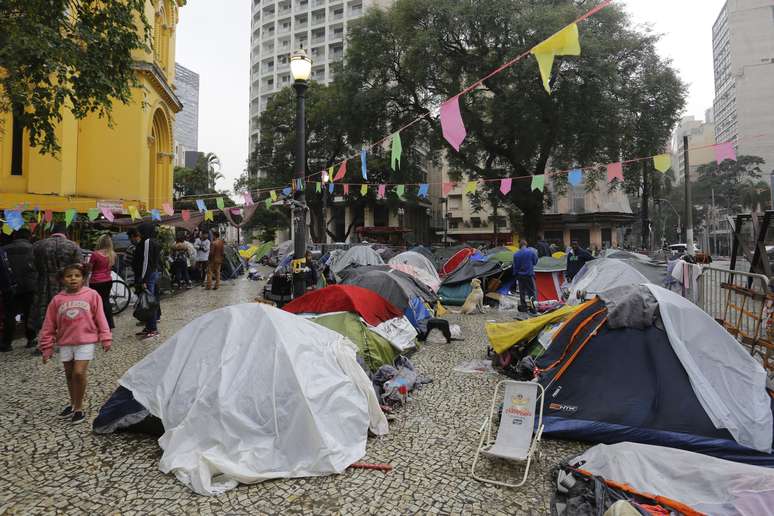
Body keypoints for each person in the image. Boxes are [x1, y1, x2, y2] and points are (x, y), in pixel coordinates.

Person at [38, 262, 111, 425]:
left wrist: (106, 337)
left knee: (78, 373)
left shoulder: (92, 295)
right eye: (69, 276)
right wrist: (46, 347)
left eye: (77, 276)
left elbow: (101, 317)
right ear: (63, 279)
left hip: (86, 341)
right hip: (65, 342)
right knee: (69, 374)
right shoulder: (57, 300)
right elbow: (49, 324)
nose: (73, 279)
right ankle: (72, 404)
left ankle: (79, 408)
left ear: (83, 278)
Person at [30, 223, 82, 342]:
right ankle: (65, 336)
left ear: (51, 232)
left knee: (44, 310)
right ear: (66, 233)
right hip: (66, 284)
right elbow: (80, 266)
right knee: (66, 309)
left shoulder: (38, 245)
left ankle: (43, 339)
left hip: (43, 283)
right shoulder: (73, 246)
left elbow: (31, 265)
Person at [1, 229, 37, 351]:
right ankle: (31, 339)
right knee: (29, 313)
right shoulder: (33, 248)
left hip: (9, 285)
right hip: (29, 286)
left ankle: (6, 342)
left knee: (9, 314)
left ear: (14, 236)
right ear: (29, 237)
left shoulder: (4, 249)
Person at [133, 223, 161, 339]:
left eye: (140, 230)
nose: (138, 233)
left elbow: (146, 262)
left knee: (149, 302)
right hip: (152, 274)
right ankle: (149, 327)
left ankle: (153, 328)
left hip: (149, 275)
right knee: (150, 300)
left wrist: (143, 278)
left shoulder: (148, 242)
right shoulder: (153, 241)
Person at [88, 234, 116, 330]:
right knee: (106, 302)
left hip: (96, 281)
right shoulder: (112, 254)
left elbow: (90, 268)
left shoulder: (95, 254)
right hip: (108, 280)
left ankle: (98, 324)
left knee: (96, 303)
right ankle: (109, 324)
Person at [513, 240, 538, 313]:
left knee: (522, 292)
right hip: (529, 275)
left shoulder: (516, 254)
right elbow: (535, 262)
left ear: (520, 246)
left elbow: (515, 267)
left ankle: (523, 308)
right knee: (532, 292)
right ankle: (533, 309)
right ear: (526, 245)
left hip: (520, 275)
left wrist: (516, 275)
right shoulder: (531, 252)